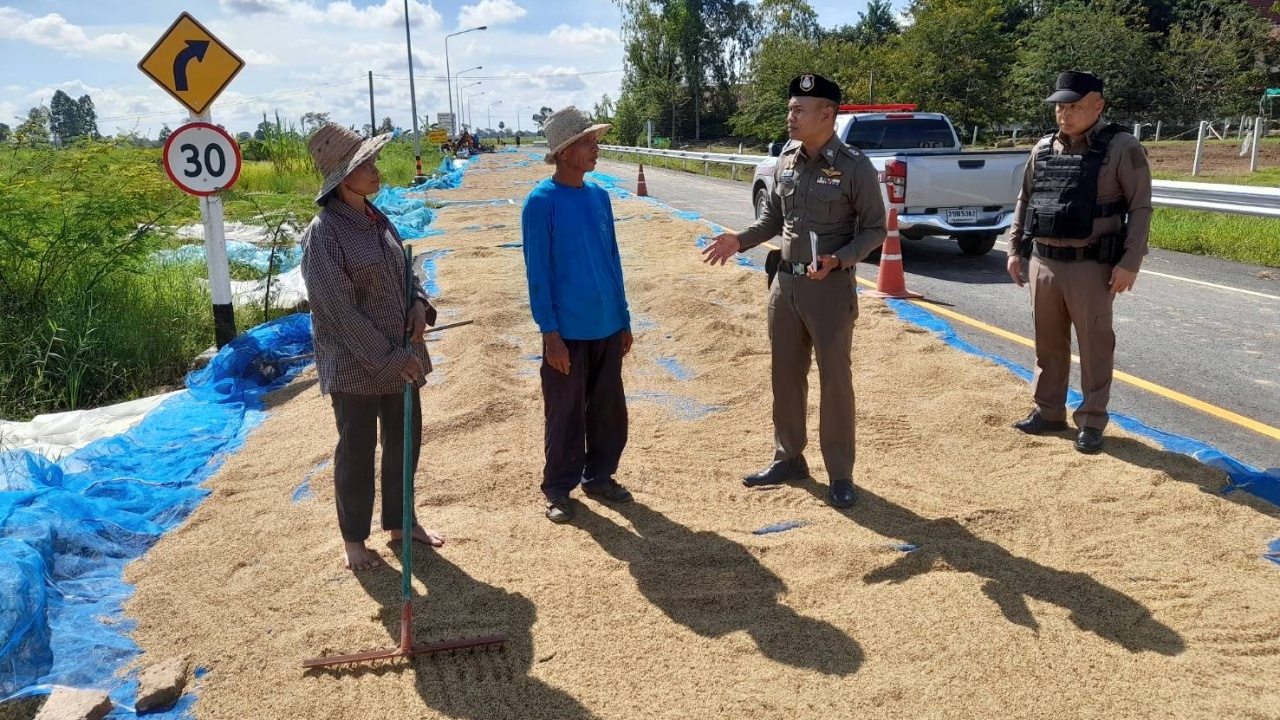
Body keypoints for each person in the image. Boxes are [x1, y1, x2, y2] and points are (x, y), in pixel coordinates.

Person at [701, 74, 886, 509]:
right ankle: (789, 458)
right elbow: (770, 222)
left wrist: (840, 259)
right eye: (790, 108)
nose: (790, 116)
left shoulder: (855, 166)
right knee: (784, 376)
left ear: (828, 114)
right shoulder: (785, 160)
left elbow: (876, 228)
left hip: (829, 288)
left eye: (799, 110)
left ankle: (840, 473)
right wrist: (738, 240)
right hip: (784, 285)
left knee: (835, 381)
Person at [300, 123, 445, 571]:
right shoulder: (323, 234)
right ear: (343, 178)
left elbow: (407, 271)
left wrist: (419, 304)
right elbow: (338, 312)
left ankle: (402, 523)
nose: (376, 171)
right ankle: (354, 541)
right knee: (358, 451)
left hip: (403, 357)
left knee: (404, 443)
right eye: (366, 165)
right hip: (356, 366)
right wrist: (389, 359)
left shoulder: (377, 218)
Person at [1006, 71, 1152, 454]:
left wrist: (1130, 262)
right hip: (1045, 262)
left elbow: (1140, 207)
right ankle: (1048, 412)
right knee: (1047, 344)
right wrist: (1014, 248)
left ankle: (1090, 421)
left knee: (1094, 346)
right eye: (1060, 106)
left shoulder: (1122, 147)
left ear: (1098, 105)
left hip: (1093, 266)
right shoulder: (1043, 148)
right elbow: (1025, 199)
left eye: (1074, 106)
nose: (1064, 114)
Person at [520, 107, 635, 524]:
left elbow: (613, 259)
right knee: (565, 413)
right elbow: (538, 274)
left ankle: (600, 476)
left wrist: (623, 317)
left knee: (608, 409)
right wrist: (550, 333)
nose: (596, 149)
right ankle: (558, 488)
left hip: (606, 322)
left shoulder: (599, 196)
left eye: (595, 141)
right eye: (588, 142)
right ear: (565, 152)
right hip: (567, 331)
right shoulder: (540, 204)